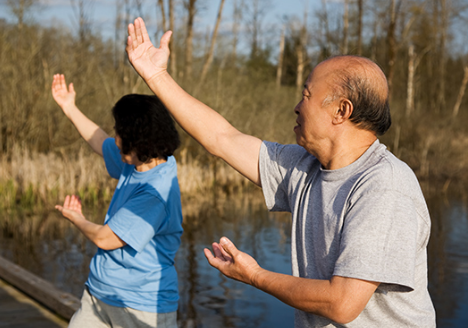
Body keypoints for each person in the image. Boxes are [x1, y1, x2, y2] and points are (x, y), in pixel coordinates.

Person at [125, 17, 436, 327]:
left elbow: (342, 303)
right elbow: (222, 139)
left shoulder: (385, 186)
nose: (297, 106)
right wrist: (156, 75)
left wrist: (255, 275)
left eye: (307, 95)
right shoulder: (304, 167)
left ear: (342, 111)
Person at [51, 74, 183, 328]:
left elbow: (105, 238)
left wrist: (76, 218)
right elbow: (99, 140)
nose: (115, 138)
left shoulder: (155, 194)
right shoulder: (140, 160)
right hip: (99, 295)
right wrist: (69, 107)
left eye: (119, 133)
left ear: (138, 141)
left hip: (139, 306)